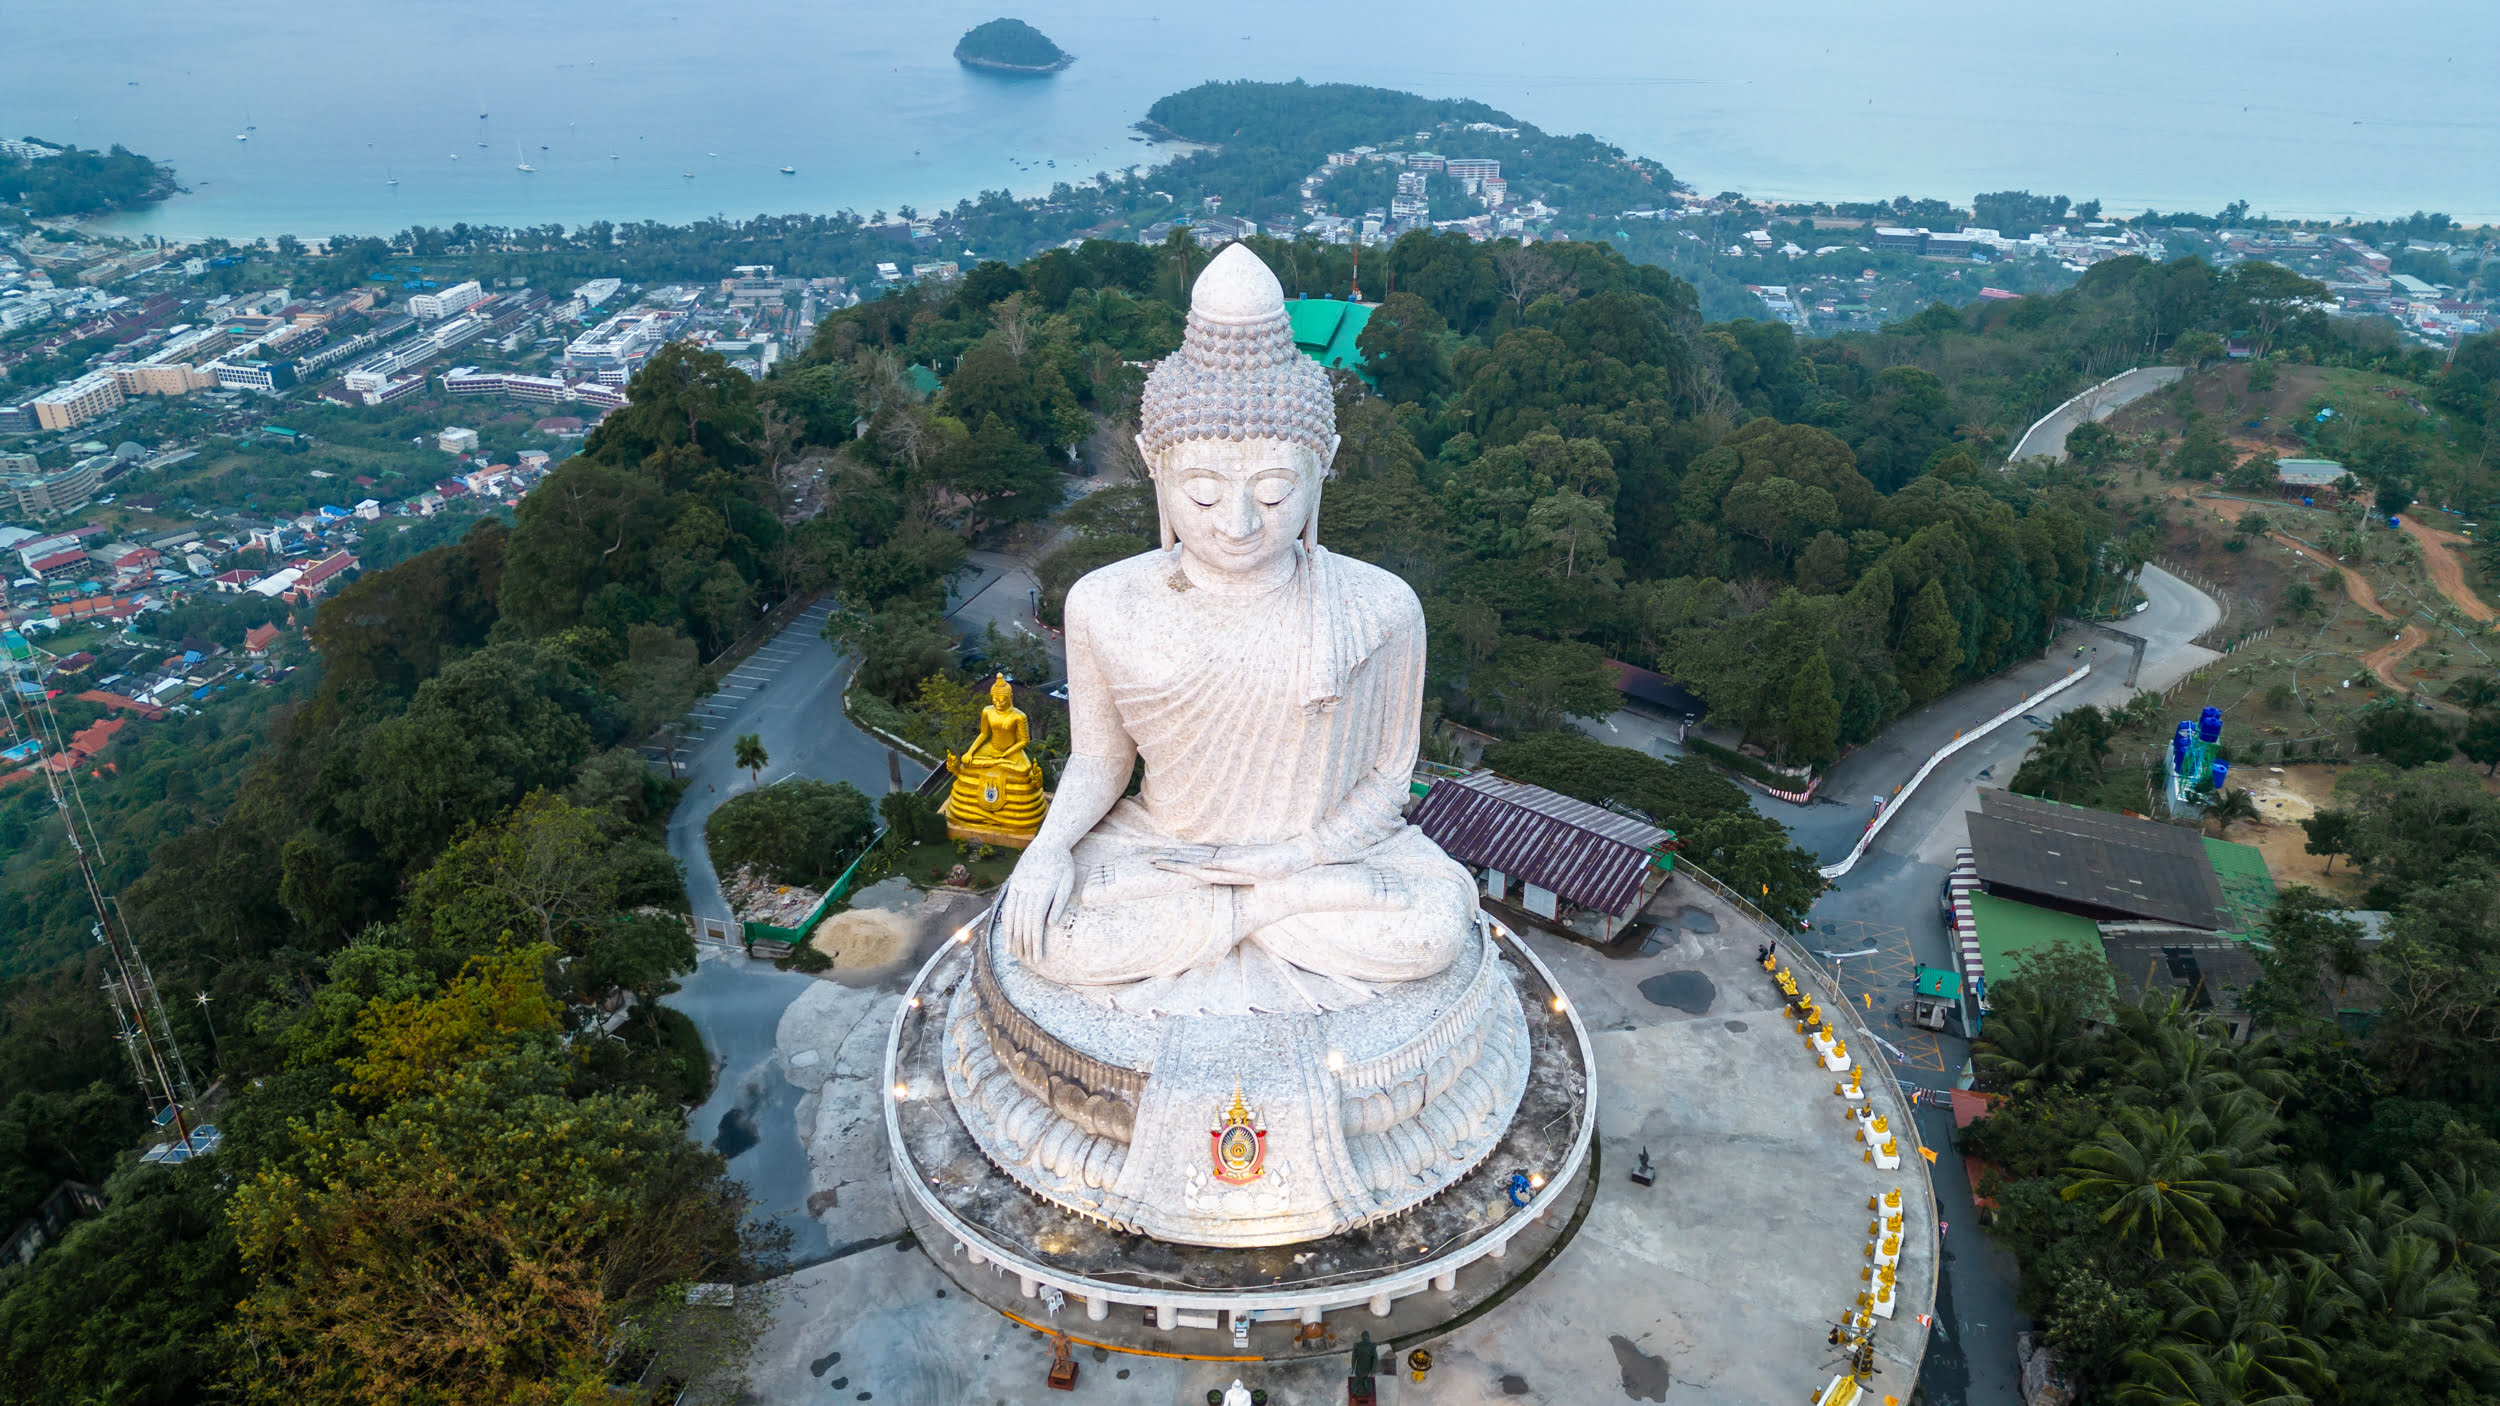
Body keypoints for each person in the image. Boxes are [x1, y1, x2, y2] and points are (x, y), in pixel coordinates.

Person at [996, 244, 1476, 1016]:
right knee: (1047, 937)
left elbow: (1389, 779)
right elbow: (1099, 758)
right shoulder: (1103, 602)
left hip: (1319, 854)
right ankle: (1258, 914)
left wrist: (1290, 861)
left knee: (1431, 932)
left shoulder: (1381, 607)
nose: (1243, 523)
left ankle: (1247, 911)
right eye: (1206, 491)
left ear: (1327, 464)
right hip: (1168, 846)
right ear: (1156, 463)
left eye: (1278, 489)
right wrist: (1049, 850)